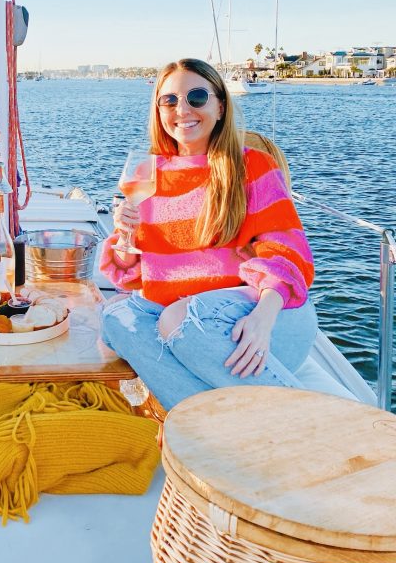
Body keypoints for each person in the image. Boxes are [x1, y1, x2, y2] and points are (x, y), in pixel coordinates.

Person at [100, 57, 320, 412]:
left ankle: (306, 417)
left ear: (220, 105)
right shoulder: (147, 172)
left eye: (196, 97)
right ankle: (216, 426)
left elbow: (287, 253)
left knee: (177, 319)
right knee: (114, 319)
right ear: (158, 111)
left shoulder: (250, 165)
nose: (182, 108)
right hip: (190, 330)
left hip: (255, 323)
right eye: (169, 100)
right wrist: (126, 236)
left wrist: (262, 320)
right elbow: (140, 274)